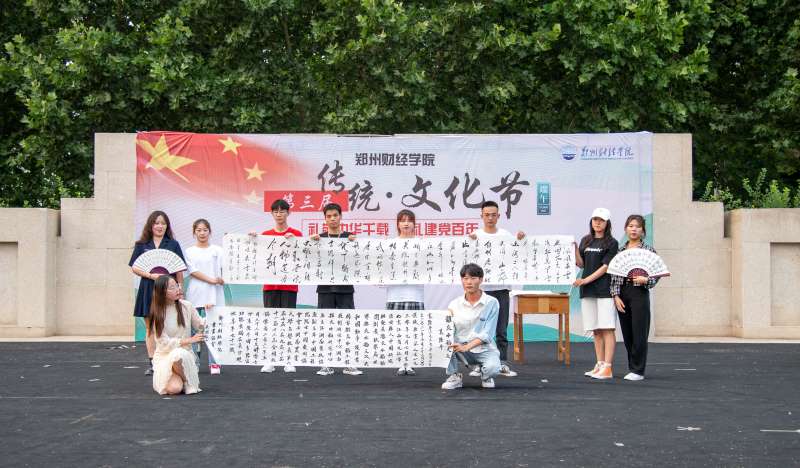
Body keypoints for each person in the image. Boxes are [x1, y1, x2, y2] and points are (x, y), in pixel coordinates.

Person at [467, 200, 524, 377]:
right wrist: (469, 243)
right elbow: (467, 261)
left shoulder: (506, 235)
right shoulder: (475, 235)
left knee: (501, 328)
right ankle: (479, 363)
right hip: (481, 289)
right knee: (479, 328)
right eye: (487, 215)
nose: (490, 218)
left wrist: (521, 240)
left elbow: (518, 253)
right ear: (481, 216)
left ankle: (502, 362)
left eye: (493, 215)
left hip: (501, 288)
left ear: (498, 216)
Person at [129, 210, 185, 376]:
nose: (160, 226)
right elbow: (135, 267)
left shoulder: (173, 244)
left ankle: (170, 362)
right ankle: (153, 363)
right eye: (156, 223)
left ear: (167, 226)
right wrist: (150, 275)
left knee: (169, 325)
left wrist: (180, 288)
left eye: (163, 223)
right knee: (150, 328)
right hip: (148, 288)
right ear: (150, 225)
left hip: (169, 290)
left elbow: (179, 269)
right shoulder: (141, 244)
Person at [251, 199, 302, 374]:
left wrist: (295, 243)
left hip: (289, 286)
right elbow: (257, 256)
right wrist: (252, 240)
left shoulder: (296, 234)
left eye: (282, 211)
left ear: (289, 213)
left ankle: (289, 359)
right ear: (272, 214)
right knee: (271, 322)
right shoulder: (266, 235)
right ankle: (270, 359)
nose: (279, 214)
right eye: (276, 211)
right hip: (270, 286)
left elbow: (303, 257)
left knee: (288, 322)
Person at [309, 203, 361, 376]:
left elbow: (360, 260)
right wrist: (310, 243)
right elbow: (307, 258)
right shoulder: (318, 238)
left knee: (348, 326)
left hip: (345, 289)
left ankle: (349, 363)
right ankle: (326, 363)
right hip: (325, 289)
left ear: (340, 217)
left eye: (335, 215)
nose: (332, 219)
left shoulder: (349, 237)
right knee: (325, 326)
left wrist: (356, 244)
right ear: (325, 219)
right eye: (329, 216)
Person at [610, 214, 660, 381]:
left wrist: (647, 280)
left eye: (637, 227)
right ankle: (632, 367)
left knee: (639, 332)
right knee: (627, 333)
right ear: (626, 229)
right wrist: (615, 295)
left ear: (643, 231)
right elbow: (614, 275)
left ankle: (638, 370)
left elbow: (656, 274)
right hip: (622, 293)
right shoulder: (620, 251)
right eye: (631, 226)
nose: (634, 229)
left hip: (639, 293)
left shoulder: (648, 251)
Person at [574, 208, 619, 380]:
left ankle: (608, 367)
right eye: (595, 219)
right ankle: (599, 364)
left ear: (607, 223)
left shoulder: (612, 243)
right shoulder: (586, 240)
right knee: (596, 329)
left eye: (601, 220)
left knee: (607, 328)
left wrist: (585, 280)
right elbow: (581, 264)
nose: (597, 223)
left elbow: (606, 267)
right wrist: (575, 249)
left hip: (604, 290)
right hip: (588, 291)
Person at [441, 263, 501, 390]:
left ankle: (486, 375)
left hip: (484, 349)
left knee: (493, 369)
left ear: (481, 280)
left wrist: (467, 347)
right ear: (462, 280)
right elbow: (448, 329)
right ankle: (454, 376)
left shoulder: (491, 303)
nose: (469, 282)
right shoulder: (454, 304)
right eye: (465, 278)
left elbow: (487, 334)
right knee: (444, 343)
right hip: (459, 348)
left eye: (473, 278)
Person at [149, 275, 205, 395]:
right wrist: (189, 340)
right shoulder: (158, 313)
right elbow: (164, 344)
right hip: (164, 357)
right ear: (162, 292)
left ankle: (187, 381)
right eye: (172, 287)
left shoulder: (187, 306)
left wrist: (210, 313)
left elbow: (200, 325)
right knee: (174, 389)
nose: (178, 289)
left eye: (177, 285)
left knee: (179, 354)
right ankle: (185, 380)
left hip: (185, 356)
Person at [385, 209, 425, 376]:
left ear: (415, 224)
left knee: (413, 330)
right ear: (398, 224)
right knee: (397, 330)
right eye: (402, 220)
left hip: (415, 294)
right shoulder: (389, 244)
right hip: (395, 294)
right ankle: (401, 362)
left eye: (409, 220)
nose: (406, 223)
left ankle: (410, 362)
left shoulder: (422, 244)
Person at [184, 219, 225, 375]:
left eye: (205, 230)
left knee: (214, 329)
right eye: (199, 230)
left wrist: (220, 279)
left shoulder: (218, 250)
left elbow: (226, 268)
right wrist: (212, 280)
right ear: (194, 232)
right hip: (195, 294)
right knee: (194, 330)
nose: (202, 233)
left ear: (210, 232)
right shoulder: (189, 251)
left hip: (214, 295)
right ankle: (194, 363)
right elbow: (193, 271)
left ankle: (214, 363)